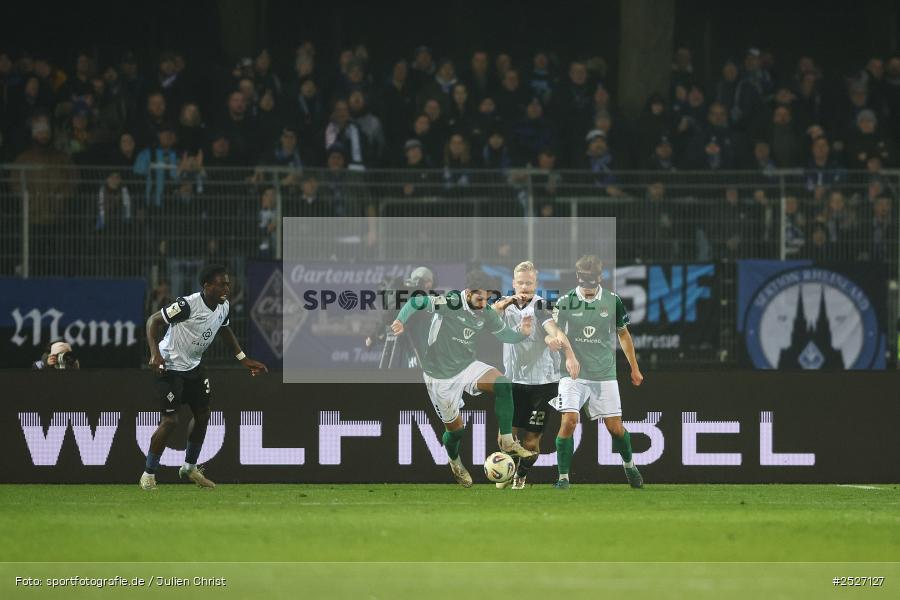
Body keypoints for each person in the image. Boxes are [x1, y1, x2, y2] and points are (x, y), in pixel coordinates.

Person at [390, 270, 538, 487]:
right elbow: (416, 301)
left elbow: (503, 334)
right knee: (456, 431)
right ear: (468, 293)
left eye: (487, 299)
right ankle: (455, 461)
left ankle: (507, 441)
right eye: (480, 298)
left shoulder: (485, 312)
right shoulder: (451, 302)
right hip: (439, 375)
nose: (484, 304)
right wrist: (400, 320)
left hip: (467, 366)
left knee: (503, 384)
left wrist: (522, 334)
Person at [141, 264, 267, 490]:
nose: (227, 288)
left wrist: (243, 358)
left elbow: (223, 328)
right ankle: (148, 474)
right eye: (221, 284)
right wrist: (154, 354)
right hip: (169, 366)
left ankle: (190, 468)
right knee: (170, 421)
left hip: (194, 367)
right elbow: (153, 320)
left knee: (203, 415)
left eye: (228, 284)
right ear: (207, 286)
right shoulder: (187, 305)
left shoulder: (224, 306)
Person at [549, 254, 644, 489]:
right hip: (572, 373)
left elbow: (623, 334)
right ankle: (563, 478)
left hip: (603, 372)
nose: (589, 290)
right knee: (569, 421)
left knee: (615, 428)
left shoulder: (612, 301)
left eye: (592, 284)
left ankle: (630, 465)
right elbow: (554, 330)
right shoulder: (565, 301)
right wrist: (560, 347)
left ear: (600, 278)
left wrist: (634, 368)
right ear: (578, 277)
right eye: (585, 283)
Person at [491, 261, 579, 489]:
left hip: (542, 383)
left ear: (536, 284)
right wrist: (503, 304)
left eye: (529, 283)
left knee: (530, 442)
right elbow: (485, 319)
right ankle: (509, 468)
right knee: (504, 439)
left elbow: (553, 329)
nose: (525, 287)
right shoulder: (505, 305)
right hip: (514, 381)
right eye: (521, 282)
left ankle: (520, 474)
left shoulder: (541, 306)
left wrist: (565, 351)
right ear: (513, 283)